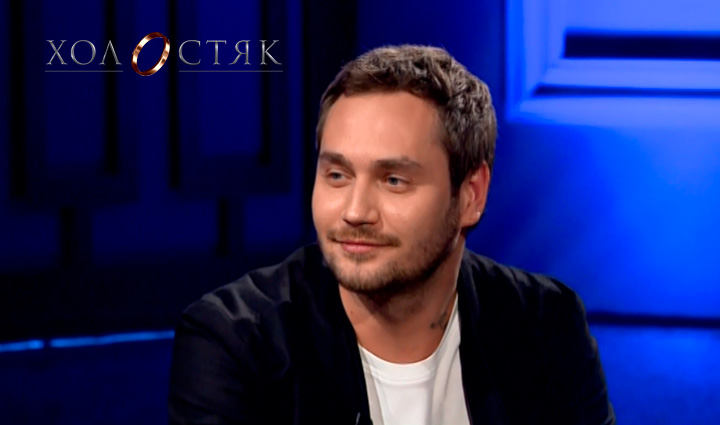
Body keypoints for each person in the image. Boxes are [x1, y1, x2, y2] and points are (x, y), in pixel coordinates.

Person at [168, 45, 615, 425]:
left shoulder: (544, 326)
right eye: (338, 175)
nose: (355, 212)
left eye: (394, 180)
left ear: (470, 195)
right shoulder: (235, 344)